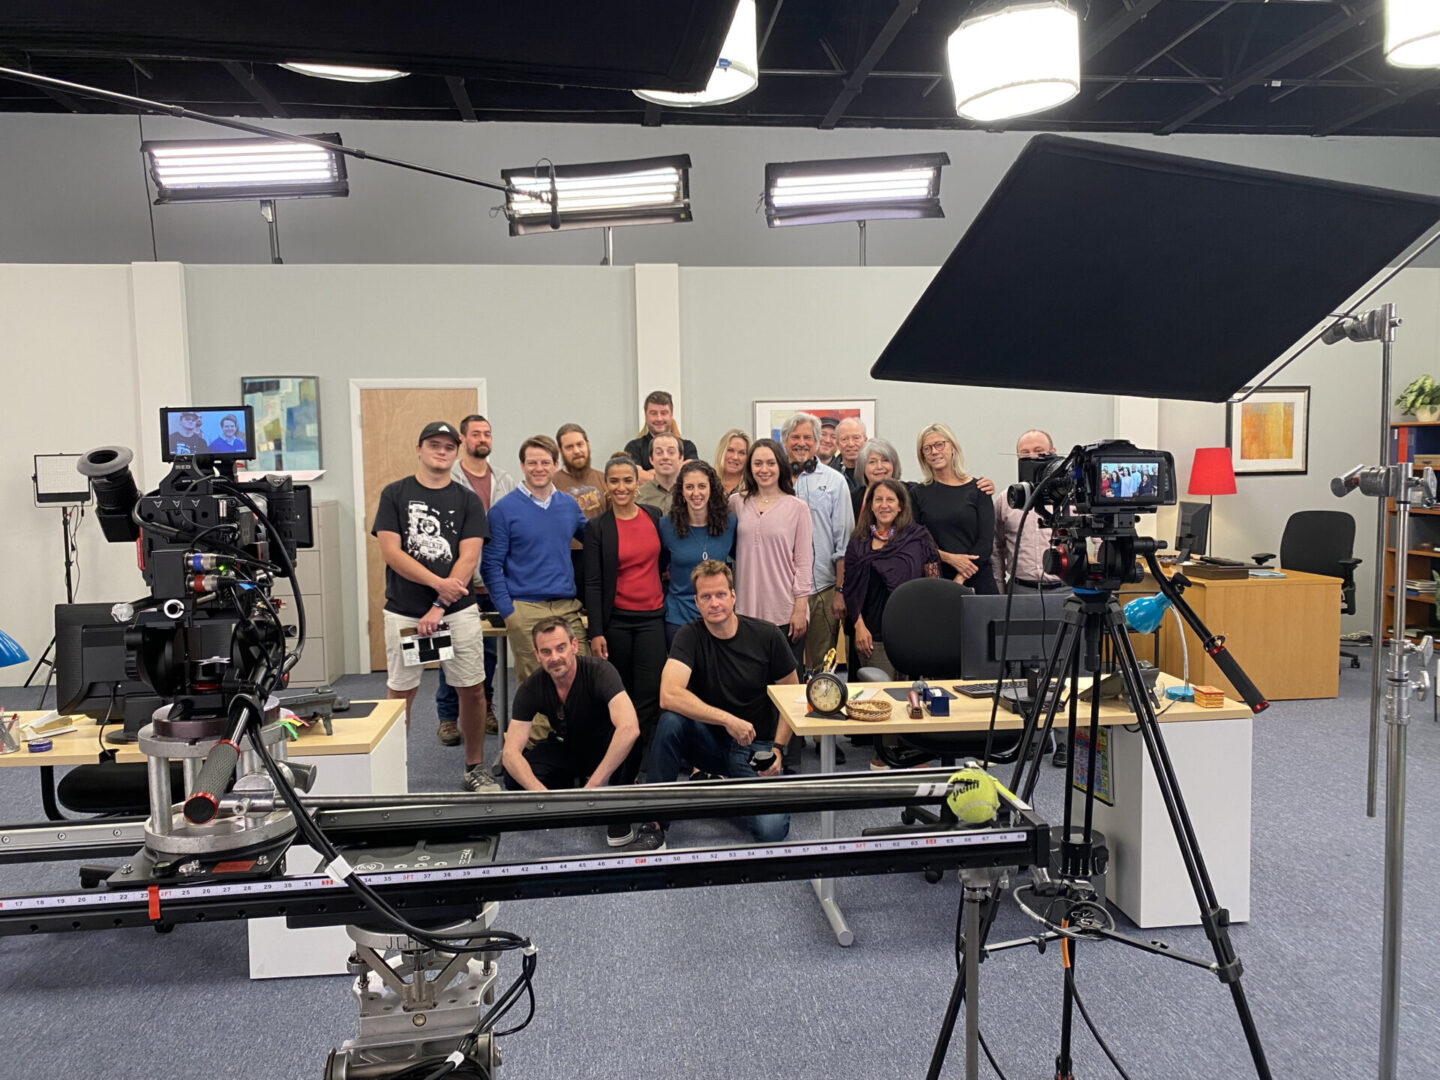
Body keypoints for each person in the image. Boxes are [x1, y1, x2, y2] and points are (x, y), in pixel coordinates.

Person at [633, 561, 798, 851]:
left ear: (734, 596)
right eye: (706, 597)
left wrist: (778, 749)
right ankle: (654, 821)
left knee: (771, 832)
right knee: (671, 720)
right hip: (709, 742)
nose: (715, 603)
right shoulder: (689, 635)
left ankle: (736, 787)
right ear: (696, 602)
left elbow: (792, 696)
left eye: (721, 594)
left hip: (754, 748)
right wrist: (726, 719)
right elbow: (668, 694)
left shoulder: (767, 635)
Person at [371, 420, 493, 792]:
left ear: (456, 453)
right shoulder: (395, 494)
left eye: (448, 446)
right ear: (420, 449)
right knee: (401, 691)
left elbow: (469, 558)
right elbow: (392, 552)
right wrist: (437, 583)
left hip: (455, 612)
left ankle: (474, 767)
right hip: (407, 611)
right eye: (434, 445)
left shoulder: (467, 499)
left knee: (471, 688)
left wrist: (440, 603)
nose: (441, 451)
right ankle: (391, 772)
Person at [481, 435, 591, 747]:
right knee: (537, 685)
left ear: (556, 465)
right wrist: (509, 613)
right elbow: (491, 566)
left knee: (579, 678)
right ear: (522, 466)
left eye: (545, 462)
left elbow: (596, 542)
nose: (539, 468)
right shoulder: (503, 511)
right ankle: (536, 754)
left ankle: (576, 749)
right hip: (525, 608)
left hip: (567, 606)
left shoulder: (569, 506)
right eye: (532, 463)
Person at [500, 617, 641, 845]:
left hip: (605, 747)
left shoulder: (600, 671)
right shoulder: (531, 687)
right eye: (546, 652)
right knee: (513, 777)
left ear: (574, 646)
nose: (555, 658)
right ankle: (573, 788)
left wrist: (593, 788)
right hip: (568, 746)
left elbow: (629, 727)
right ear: (537, 655)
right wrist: (540, 795)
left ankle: (616, 809)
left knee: (632, 743)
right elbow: (510, 752)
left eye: (561, 648)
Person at [583, 454, 668, 796]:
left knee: (650, 695)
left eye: (627, 481)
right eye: (614, 481)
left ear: (638, 483)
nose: (621, 488)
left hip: (652, 619)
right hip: (616, 621)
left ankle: (647, 764)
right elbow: (592, 582)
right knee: (622, 697)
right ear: (607, 484)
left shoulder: (654, 516)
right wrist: (596, 631)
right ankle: (622, 767)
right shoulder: (597, 527)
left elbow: (663, 561)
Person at [435, 414, 516, 746]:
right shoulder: (448, 479)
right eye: (475, 434)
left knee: (488, 653)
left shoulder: (505, 480)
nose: (482, 438)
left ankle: (486, 708)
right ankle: (447, 718)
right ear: (463, 440)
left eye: (487, 433)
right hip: (458, 581)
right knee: (451, 649)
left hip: (494, 581)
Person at [843, 479, 940, 681]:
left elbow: (933, 584)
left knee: (913, 698)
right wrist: (859, 627)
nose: (884, 505)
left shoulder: (918, 537)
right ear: (870, 505)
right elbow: (850, 589)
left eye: (890, 500)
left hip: (912, 631)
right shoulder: (858, 541)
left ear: (900, 505)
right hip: (872, 634)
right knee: (880, 697)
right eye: (878, 499)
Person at [728, 438, 812, 667]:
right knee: (749, 681)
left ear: (780, 466)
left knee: (786, 684)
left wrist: (800, 608)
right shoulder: (736, 503)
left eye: (770, 463)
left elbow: (803, 562)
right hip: (746, 610)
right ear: (749, 468)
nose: (764, 469)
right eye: (757, 463)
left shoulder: (798, 508)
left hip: (785, 611)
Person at [782, 412, 853, 673]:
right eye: (795, 437)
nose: (801, 442)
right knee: (784, 666)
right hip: (783, 589)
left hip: (822, 588)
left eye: (807, 438)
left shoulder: (834, 482)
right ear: (785, 441)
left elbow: (843, 541)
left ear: (817, 441)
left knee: (823, 666)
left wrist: (840, 591)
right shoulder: (772, 479)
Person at [911, 422, 998, 595]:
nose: (934, 452)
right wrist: (949, 558)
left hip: (979, 581)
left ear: (952, 447)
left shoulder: (979, 489)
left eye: (939, 444)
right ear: (922, 456)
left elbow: (985, 543)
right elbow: (916, 542)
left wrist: (960, 578)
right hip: (939, 581)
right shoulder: (917, 494)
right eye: (927, 448)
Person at [659, 460, 736, 646]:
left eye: (702, 486)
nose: (696, 493)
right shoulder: (665, 525)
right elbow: (659, 569)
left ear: (711, 489)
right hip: (679, 616)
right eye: (689, 487)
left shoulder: (730, 524)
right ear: (681, 492)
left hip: (719, 615)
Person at [993, 429, 1065, 591]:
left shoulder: (1071, 495)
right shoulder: (1007, 499)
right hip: (1021, 589)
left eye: (1039, 451)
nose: (1032, 456)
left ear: (1053, 452)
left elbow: (1098, 540)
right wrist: (998, 590)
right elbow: (996, 549)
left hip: (1067, 588)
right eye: (1025, 453)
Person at [553, 422, 609, 597]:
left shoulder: (603, 479)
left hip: (599, 556)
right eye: (569, 447)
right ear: (561, 452)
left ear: (588, 445)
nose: (576, 451)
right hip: (565, 559)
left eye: (580, 444)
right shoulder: (552, 483)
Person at [624, 390, 698, 483]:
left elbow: (690, 475)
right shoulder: (633, 447)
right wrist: (673, 473)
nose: (659, 418)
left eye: (664, 413)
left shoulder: (687, 446)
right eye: (653, 413)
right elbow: (637, 477)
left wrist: (650, 473)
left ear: (671, 415)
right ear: (645, 416)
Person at [851, 436, 903, 519]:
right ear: (862, 467)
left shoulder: (910, 493)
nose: (879, 467)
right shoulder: (853, 498)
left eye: (885, 460)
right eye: (872, 462)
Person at [636, 431, 682, 514]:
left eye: (671, 452)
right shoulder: (638, 497)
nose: (665, 457)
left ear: (681, 458)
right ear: (651, 459)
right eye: (659, 452)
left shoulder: (690, 494)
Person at [713, 429, 751, 498]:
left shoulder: (753, 488)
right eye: (730, 450)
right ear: (721, 452)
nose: (735, 457)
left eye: (741, 453)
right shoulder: (709, 484)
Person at [834, 417, 867, 490]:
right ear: (837, 444)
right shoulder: (830, 474)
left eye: (856, 438)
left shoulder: (875, 471)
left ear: (865, 440)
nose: (851, 444)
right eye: (844, 439)